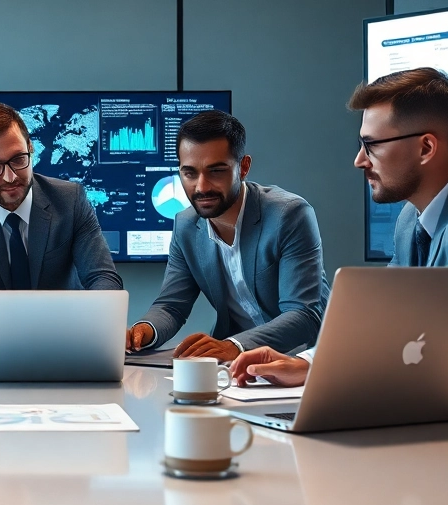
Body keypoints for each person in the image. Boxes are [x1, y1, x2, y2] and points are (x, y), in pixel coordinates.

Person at [230, 67, 448, 420]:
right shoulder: (410, 218)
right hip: (434, 412)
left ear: (426, 147)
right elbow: (387, 320)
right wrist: (307, 363)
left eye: (372, 145)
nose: (359, 160)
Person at [0, 101, 124, 351]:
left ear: (30, 148)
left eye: (18, 159)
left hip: (65, 343)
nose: (10, 177)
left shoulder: (70, 201)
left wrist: (97, 319)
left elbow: (102, 277)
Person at [126, 110, 329, 361]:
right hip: (236, 367)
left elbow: (303, 314)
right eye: (190, 173)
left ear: (243, 167)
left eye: (216, 171)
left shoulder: (289, 214)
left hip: (305, 359)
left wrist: (235, 345)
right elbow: (171, 306)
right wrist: (143, 331)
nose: (201, 187)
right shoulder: (185, 225)